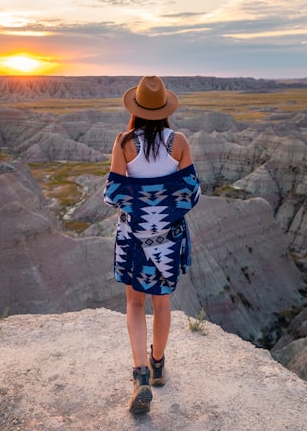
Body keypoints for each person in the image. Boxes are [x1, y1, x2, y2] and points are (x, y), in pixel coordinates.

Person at [103, 75, 200, 414]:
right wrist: (163, 211)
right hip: (168, 240)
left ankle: (141, 374)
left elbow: (114, 193)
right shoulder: (180, 142)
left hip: (133, 240)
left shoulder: (124, 142)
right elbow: (191, 192)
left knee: (134, 305)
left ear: (135, 108)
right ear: (164, 109)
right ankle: (158, 364)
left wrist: (141, 208)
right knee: (161, 304)